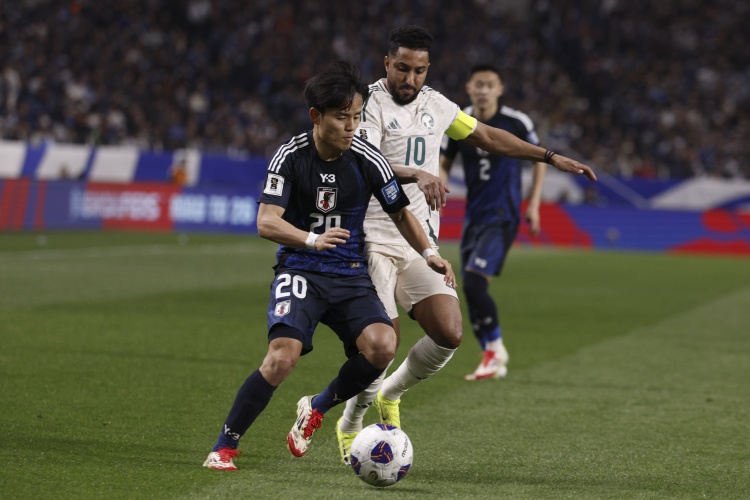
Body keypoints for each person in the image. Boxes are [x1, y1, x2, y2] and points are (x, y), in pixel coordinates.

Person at [336, 25, 596, 464]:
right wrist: (419, 174)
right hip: (372, 238)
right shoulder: (370, 103)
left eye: (419, 70)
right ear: (387, 63)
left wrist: (549, 156)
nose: (410, 79)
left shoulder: (438, 105)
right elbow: (366, 164)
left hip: (421, 243)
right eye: (402, 68)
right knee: (382, 347)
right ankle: (351, 423)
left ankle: (391, 395)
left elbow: (488, 137)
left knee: (450, 333)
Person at [203, 61, 455, 471]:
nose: (352, 126)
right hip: (301, 269)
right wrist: (311, 239)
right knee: (282, 358)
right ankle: (224, 446)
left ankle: (317, 407)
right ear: (316, 116)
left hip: (349, 271)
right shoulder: (291, 156)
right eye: (342, 117)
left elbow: (400, 212)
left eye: (356, 116)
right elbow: (266, 222)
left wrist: (429, 253)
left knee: (382, 346)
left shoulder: (368, 158)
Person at [439, 64, 547, 380]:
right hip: (474, 216)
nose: (484, 90)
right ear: (469, 88)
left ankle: (496, 350)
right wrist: (439, 187)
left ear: (500, 89)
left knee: (474, 281)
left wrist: (534, 203)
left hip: (503, 214)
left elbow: (541, 159)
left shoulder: (516, 122)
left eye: (490, 85)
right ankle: (491, 356)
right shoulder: (459, 121)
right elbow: (444, 162)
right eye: (479, 84)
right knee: (470, 287)